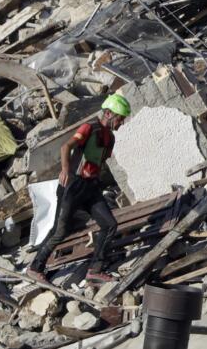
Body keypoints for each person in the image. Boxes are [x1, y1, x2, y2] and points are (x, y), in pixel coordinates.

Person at [27, 95, 130, 285]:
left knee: (109, 224)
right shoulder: (88, 128)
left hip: (91, 187)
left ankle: (95, 270)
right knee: (60, 231)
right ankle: (35, 267)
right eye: (119, 118)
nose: (121, 123)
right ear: (108, 114)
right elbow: (66, 147)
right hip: (73, 186)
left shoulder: (111, 137)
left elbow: (102, 159)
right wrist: (66, 170)